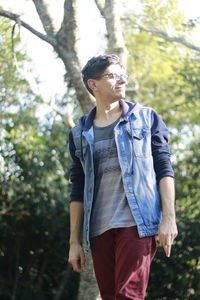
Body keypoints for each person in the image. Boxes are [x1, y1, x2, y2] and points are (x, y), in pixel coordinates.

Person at [68, 54, 178, 300]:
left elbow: (164, 168)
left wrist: (169, 218)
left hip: (136, 224)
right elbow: (78, 188)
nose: (121, 80)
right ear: (92, 84)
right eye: (112, 75)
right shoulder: (79, 133)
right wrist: (74, 241)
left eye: (122, 74)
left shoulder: (147, 119)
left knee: (128, 295)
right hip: (98, 229)